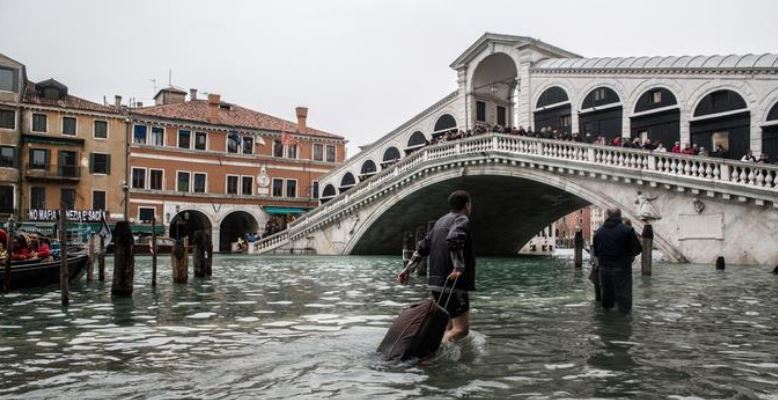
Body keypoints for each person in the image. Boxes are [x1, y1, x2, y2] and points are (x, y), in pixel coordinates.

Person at [398, 190, 475, 342]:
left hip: (435, 283)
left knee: (446, 325)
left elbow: (421, 248)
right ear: (467, 205)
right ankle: (435, 350)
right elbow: (455, 238)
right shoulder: (462, 220)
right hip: (453, 282)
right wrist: (458, 267)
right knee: (461, 330)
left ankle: (438, 352)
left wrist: (407, 270)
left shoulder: (440, 222)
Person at [592, 208, 642, 314]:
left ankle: (607, 326)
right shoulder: (627, 230)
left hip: (604, 271)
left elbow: (596, 253)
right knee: (624, 304)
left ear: (607, 216)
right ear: (620, 216)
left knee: (607, 304)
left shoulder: (598, 233)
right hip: (622, 270)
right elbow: (637, 249)